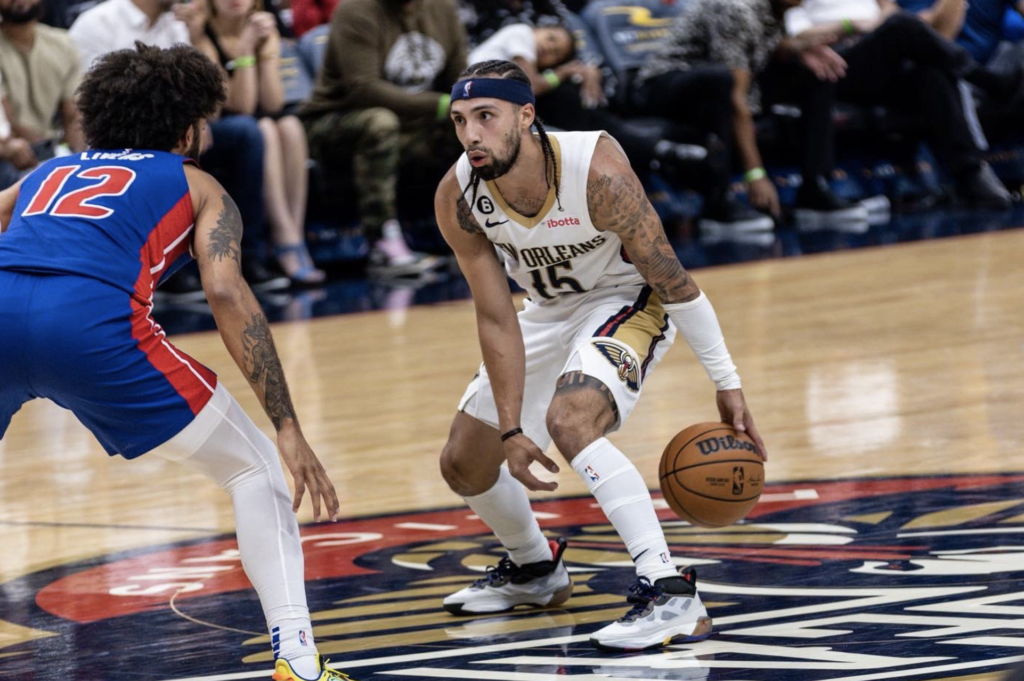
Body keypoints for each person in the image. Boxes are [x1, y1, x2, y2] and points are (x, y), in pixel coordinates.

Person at [0, 44, 350, 681]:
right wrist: (289, 426)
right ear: (188, 127)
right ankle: (298, 659)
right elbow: (225, 293)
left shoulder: (46, 173)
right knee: (254, 471)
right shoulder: (199, 184)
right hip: (90, 330)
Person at [434, 60, 767, 651]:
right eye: (460, 121)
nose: (471, 135)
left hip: (628, 298)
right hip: (545, 311)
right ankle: (536, 569)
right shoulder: (458, 196)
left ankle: (671, 593)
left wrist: (728, 380)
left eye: (486, 117)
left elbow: (674, 281)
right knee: (464, 462)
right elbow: (496, 316)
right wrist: (510, 427)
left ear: (527, 117)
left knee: (570, 419)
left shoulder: (598, 171)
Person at [69, 0, 291, 294]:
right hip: (117, 141)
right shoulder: (96, 23)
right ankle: (170, 271)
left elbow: (205, 100)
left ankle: (247, 258)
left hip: (170, 133)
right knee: (162, 153)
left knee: (244, 133)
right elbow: (90, 106)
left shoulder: (177, 24)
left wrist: (197, 123)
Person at [636, 0, 871, 225]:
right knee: (721, 81)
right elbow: (736, 97)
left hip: (721, 80)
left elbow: (761, 48)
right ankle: (719, 202)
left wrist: (798, 48)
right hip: (665, 83)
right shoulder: (737, 8)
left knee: (816, 74)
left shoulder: (778, 7)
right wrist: (755, 174)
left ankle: (815, 187)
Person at [785, 1, 1013, 207]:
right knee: (901, 25)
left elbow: (889, 8)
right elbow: (793, 34)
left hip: (875, 45)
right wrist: (849, 25)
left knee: (931, 71)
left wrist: (875, 25)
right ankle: (984, 78)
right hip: (831, 58)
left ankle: (969, 172)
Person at [300, 0, 465, 277]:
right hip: (335, 121)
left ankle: (467, 233)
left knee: (471, 125)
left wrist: (467, 107)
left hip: (413, 124)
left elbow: (460, 78)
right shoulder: (356, 10)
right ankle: (382, 242)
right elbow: (364, 88)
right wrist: (442, 105)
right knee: (380, 123)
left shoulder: (444, 9)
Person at [197, 0, 326, 286]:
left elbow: (273, 101)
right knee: (264, 128)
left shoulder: (265, 30)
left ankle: (294, 236)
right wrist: (244, 50)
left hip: (257, 121)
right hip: (221, 129)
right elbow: (241, 106)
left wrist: (266, 52)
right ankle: (283, 236)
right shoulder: (203, 34)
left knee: (290, 126)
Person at [0, 0, 85, 159]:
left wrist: (77, 159)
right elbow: (8, 124)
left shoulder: (62, 43)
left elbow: (73, 115)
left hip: (54, 150)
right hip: (10, 153)